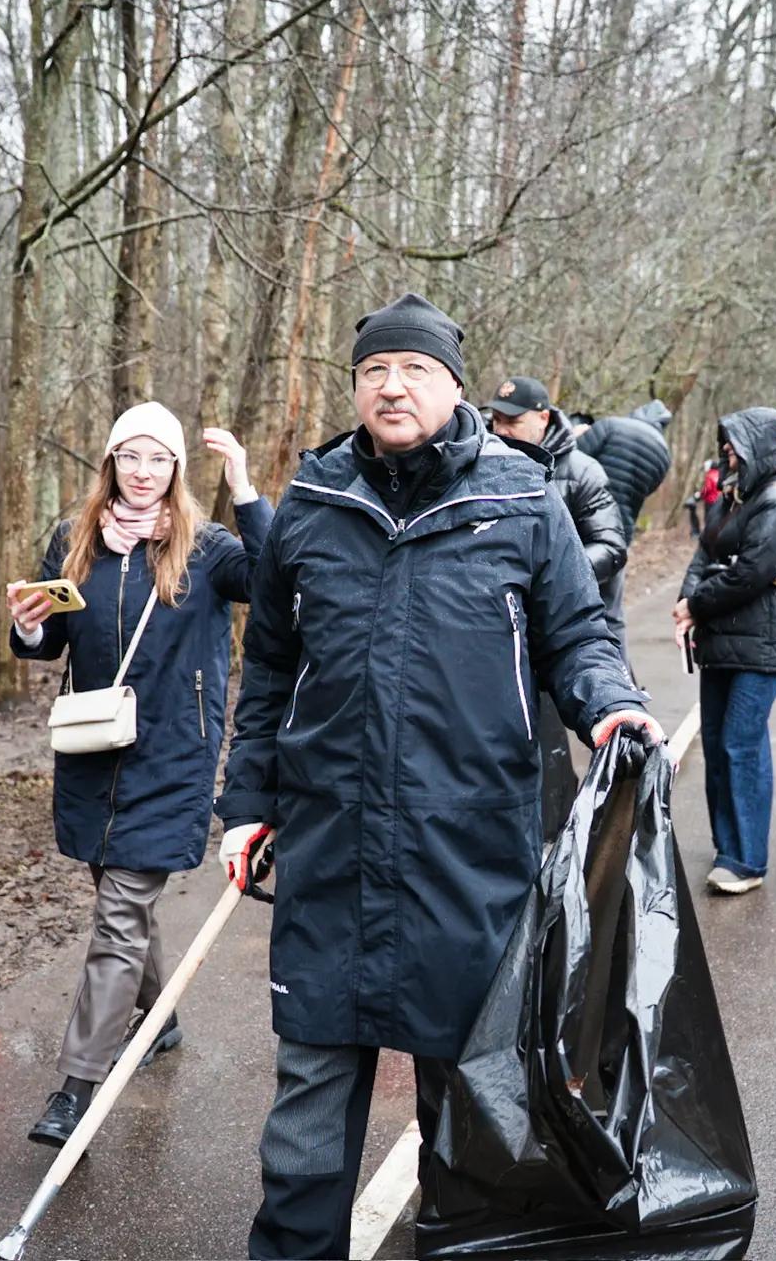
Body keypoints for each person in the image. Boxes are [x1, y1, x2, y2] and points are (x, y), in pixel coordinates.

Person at [213, 293, 663, 1260]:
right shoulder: (313, 505)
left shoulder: (520, 500)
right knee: (306, 1108)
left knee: (471, 1108)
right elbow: (271, 671)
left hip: (468, 851)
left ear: (454, 387)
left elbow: (578, 636)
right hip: (330, 849)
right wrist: (246, 805)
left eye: (414, 369)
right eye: (374, 370)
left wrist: (610, 704)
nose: (392, 386)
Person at [5, 402, 272, 1147]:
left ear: (177, 467)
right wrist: (29, 624)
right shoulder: (76, 538)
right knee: (114, 890)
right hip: (93, 748)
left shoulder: (207, 546)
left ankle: (76, 1088)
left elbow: (277, 581)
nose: (144, 472)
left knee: (120, 914)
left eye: (159, 459)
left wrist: (245, 487)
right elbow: (48, 638)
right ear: (111, 463)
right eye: (131, 457)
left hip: (173, 755)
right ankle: (161, 1018)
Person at [485, 373, 629, 836]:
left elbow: (612, 545)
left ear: (543, 419)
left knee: (601, 731)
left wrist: (548, 574)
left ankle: (598, 834)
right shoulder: (483, 467)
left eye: (512, 421)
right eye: (495, 419)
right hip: (510, 633)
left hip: (577, 624)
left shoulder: (583, 472)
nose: (501, 429)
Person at [672, 408, 776, 895]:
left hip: (759, 643)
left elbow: (750, 573)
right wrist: (686, 604)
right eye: (726, 443)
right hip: (719, 639)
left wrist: (697, 602)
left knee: (741, 744)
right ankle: (726, 847)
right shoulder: (733, 496)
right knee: (717, 746)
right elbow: (705, 553)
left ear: (759, 448)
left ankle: (748, 860)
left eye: (735, 444)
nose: (727, 451)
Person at [575, 397, 673, 670]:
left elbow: (574, 459)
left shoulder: (611, 426)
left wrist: (576, 434)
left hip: (583, 527)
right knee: (612, 613)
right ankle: (621, 676)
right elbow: (641, 494)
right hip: (619, 534)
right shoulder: (663, 453)